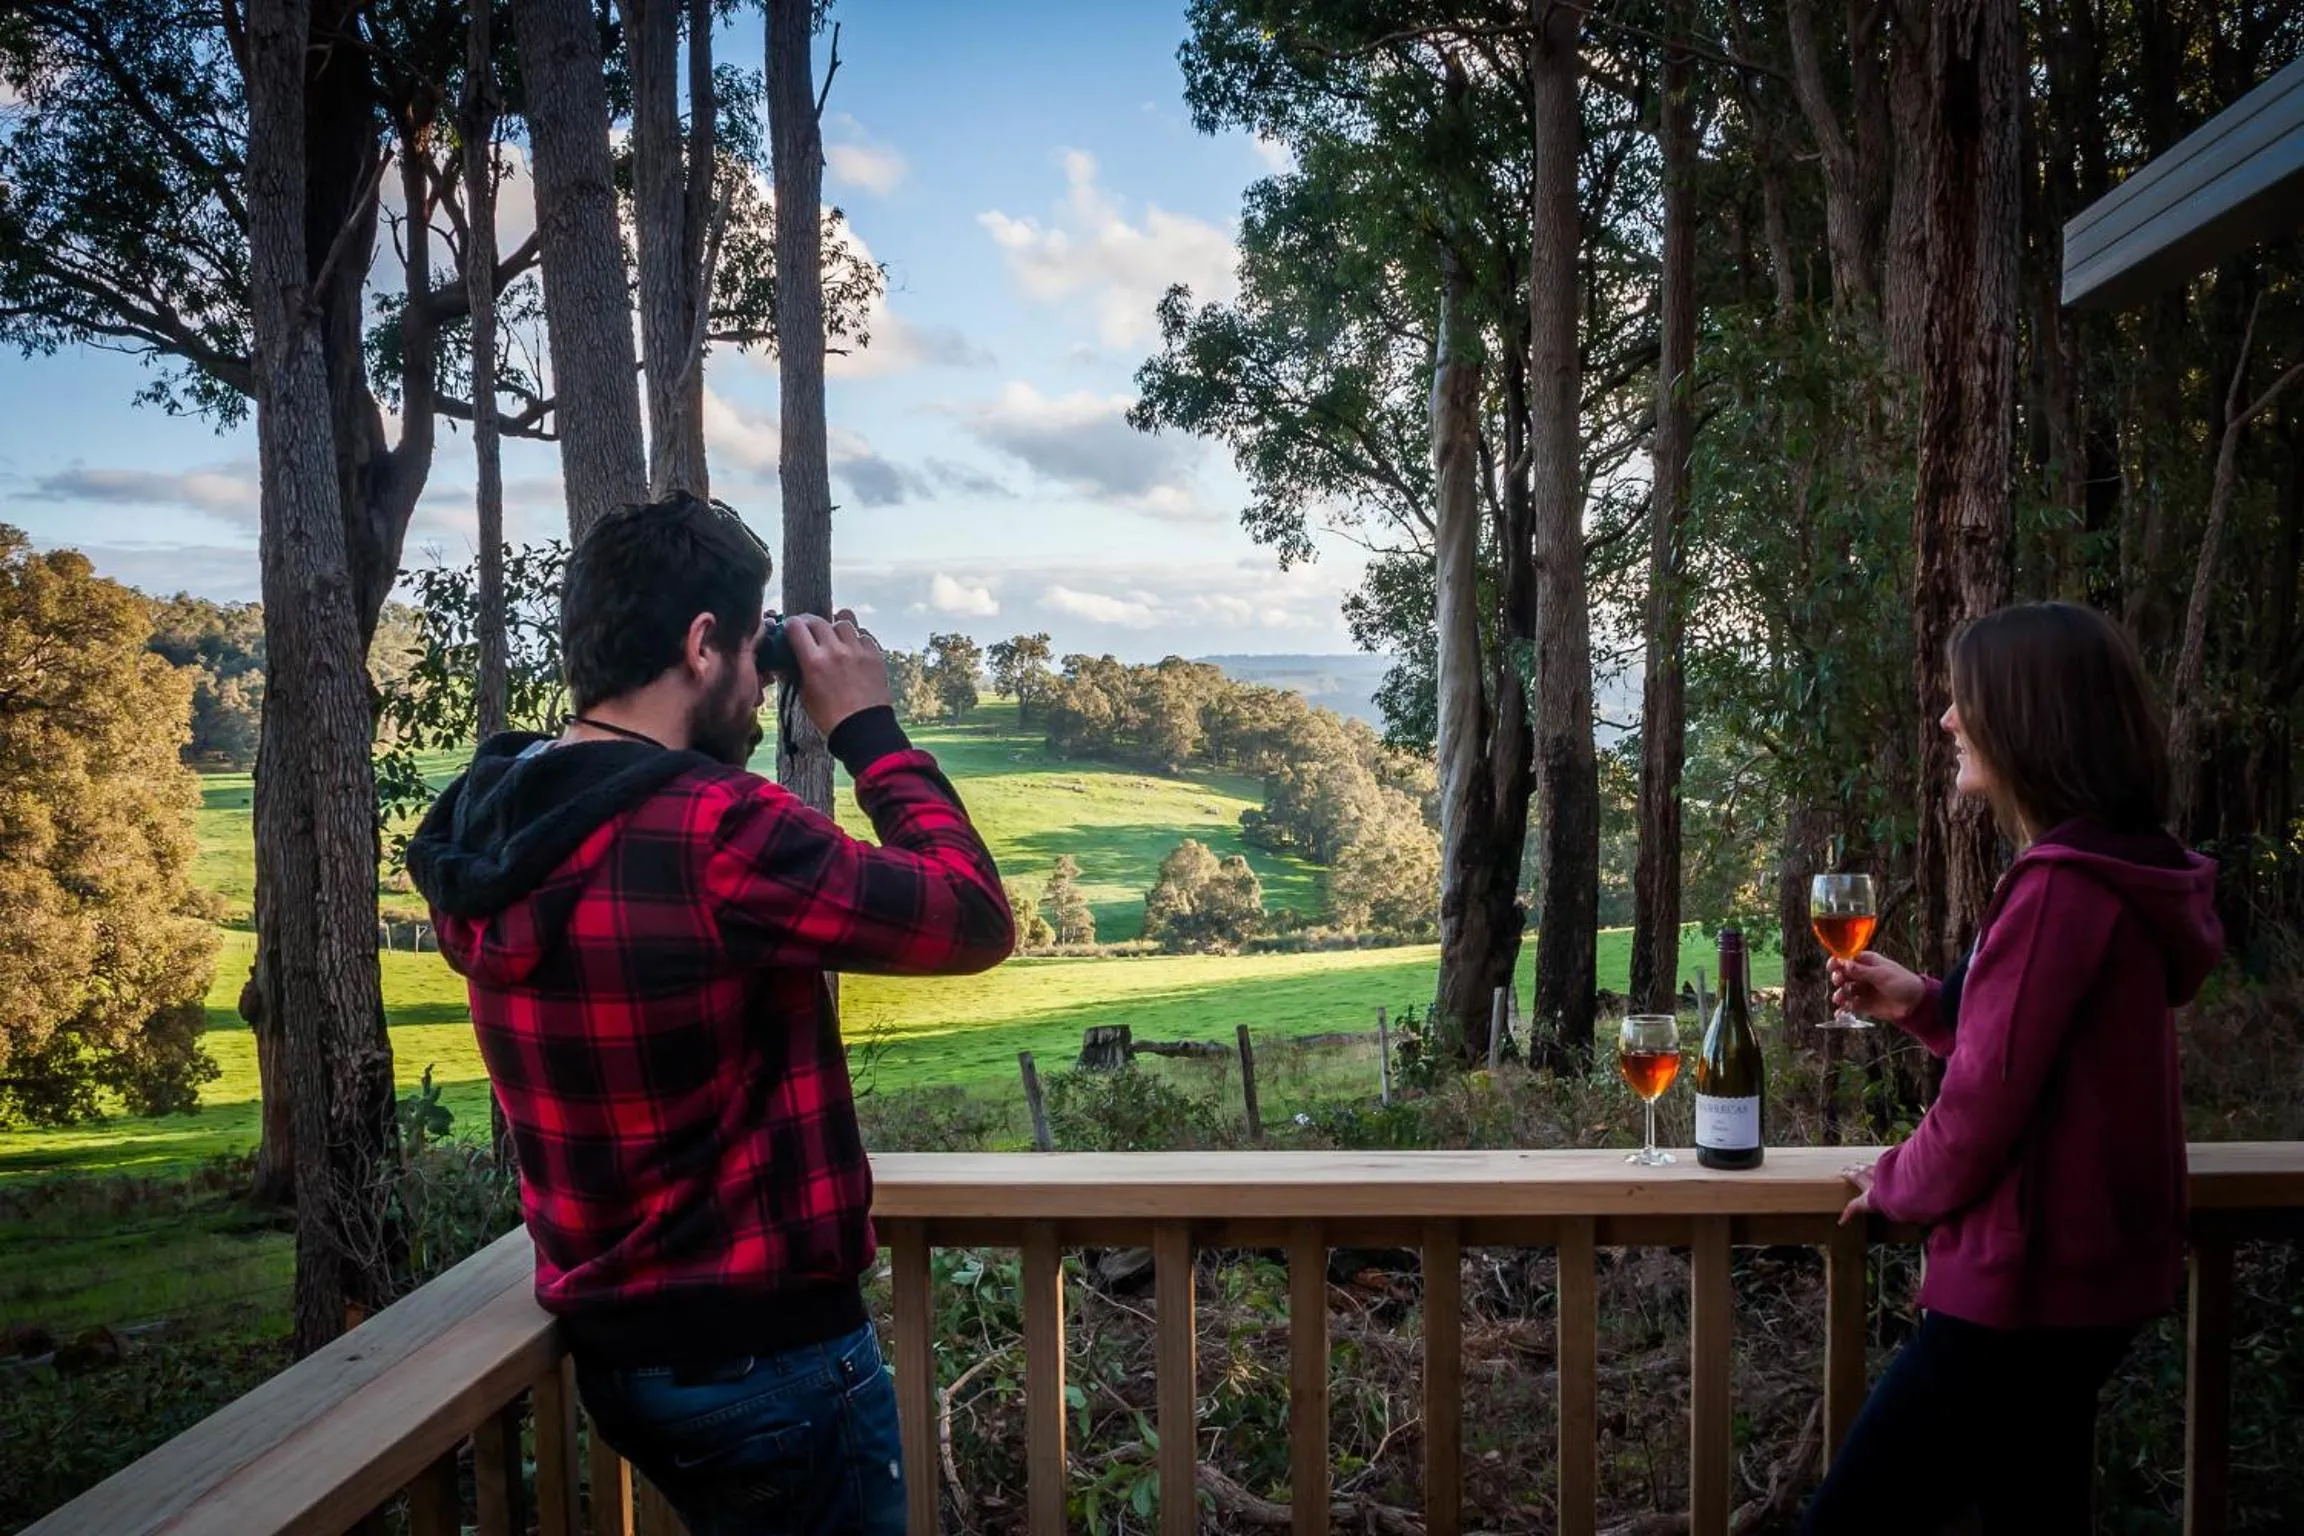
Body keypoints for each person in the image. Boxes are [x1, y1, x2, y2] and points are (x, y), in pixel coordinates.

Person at [407, 493, 1016, 1536]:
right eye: (750, 651)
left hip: (623, 1359)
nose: (758, 684)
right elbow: (971, 916)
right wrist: (867, 727)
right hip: (768, 1360)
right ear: (701, 646)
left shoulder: (496, 812)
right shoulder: (712, 830)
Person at [1801, 602, 2223, 1536]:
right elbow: (2051, 1054)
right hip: (2087, 1288)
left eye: (1968, 700)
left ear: (2032, 718)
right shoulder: (2114, 874)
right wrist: (1925, 1004)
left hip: (2022, 1292)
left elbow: (1982, 1108)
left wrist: (1895, 1183)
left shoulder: (2061, 888)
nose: (1948, 719)